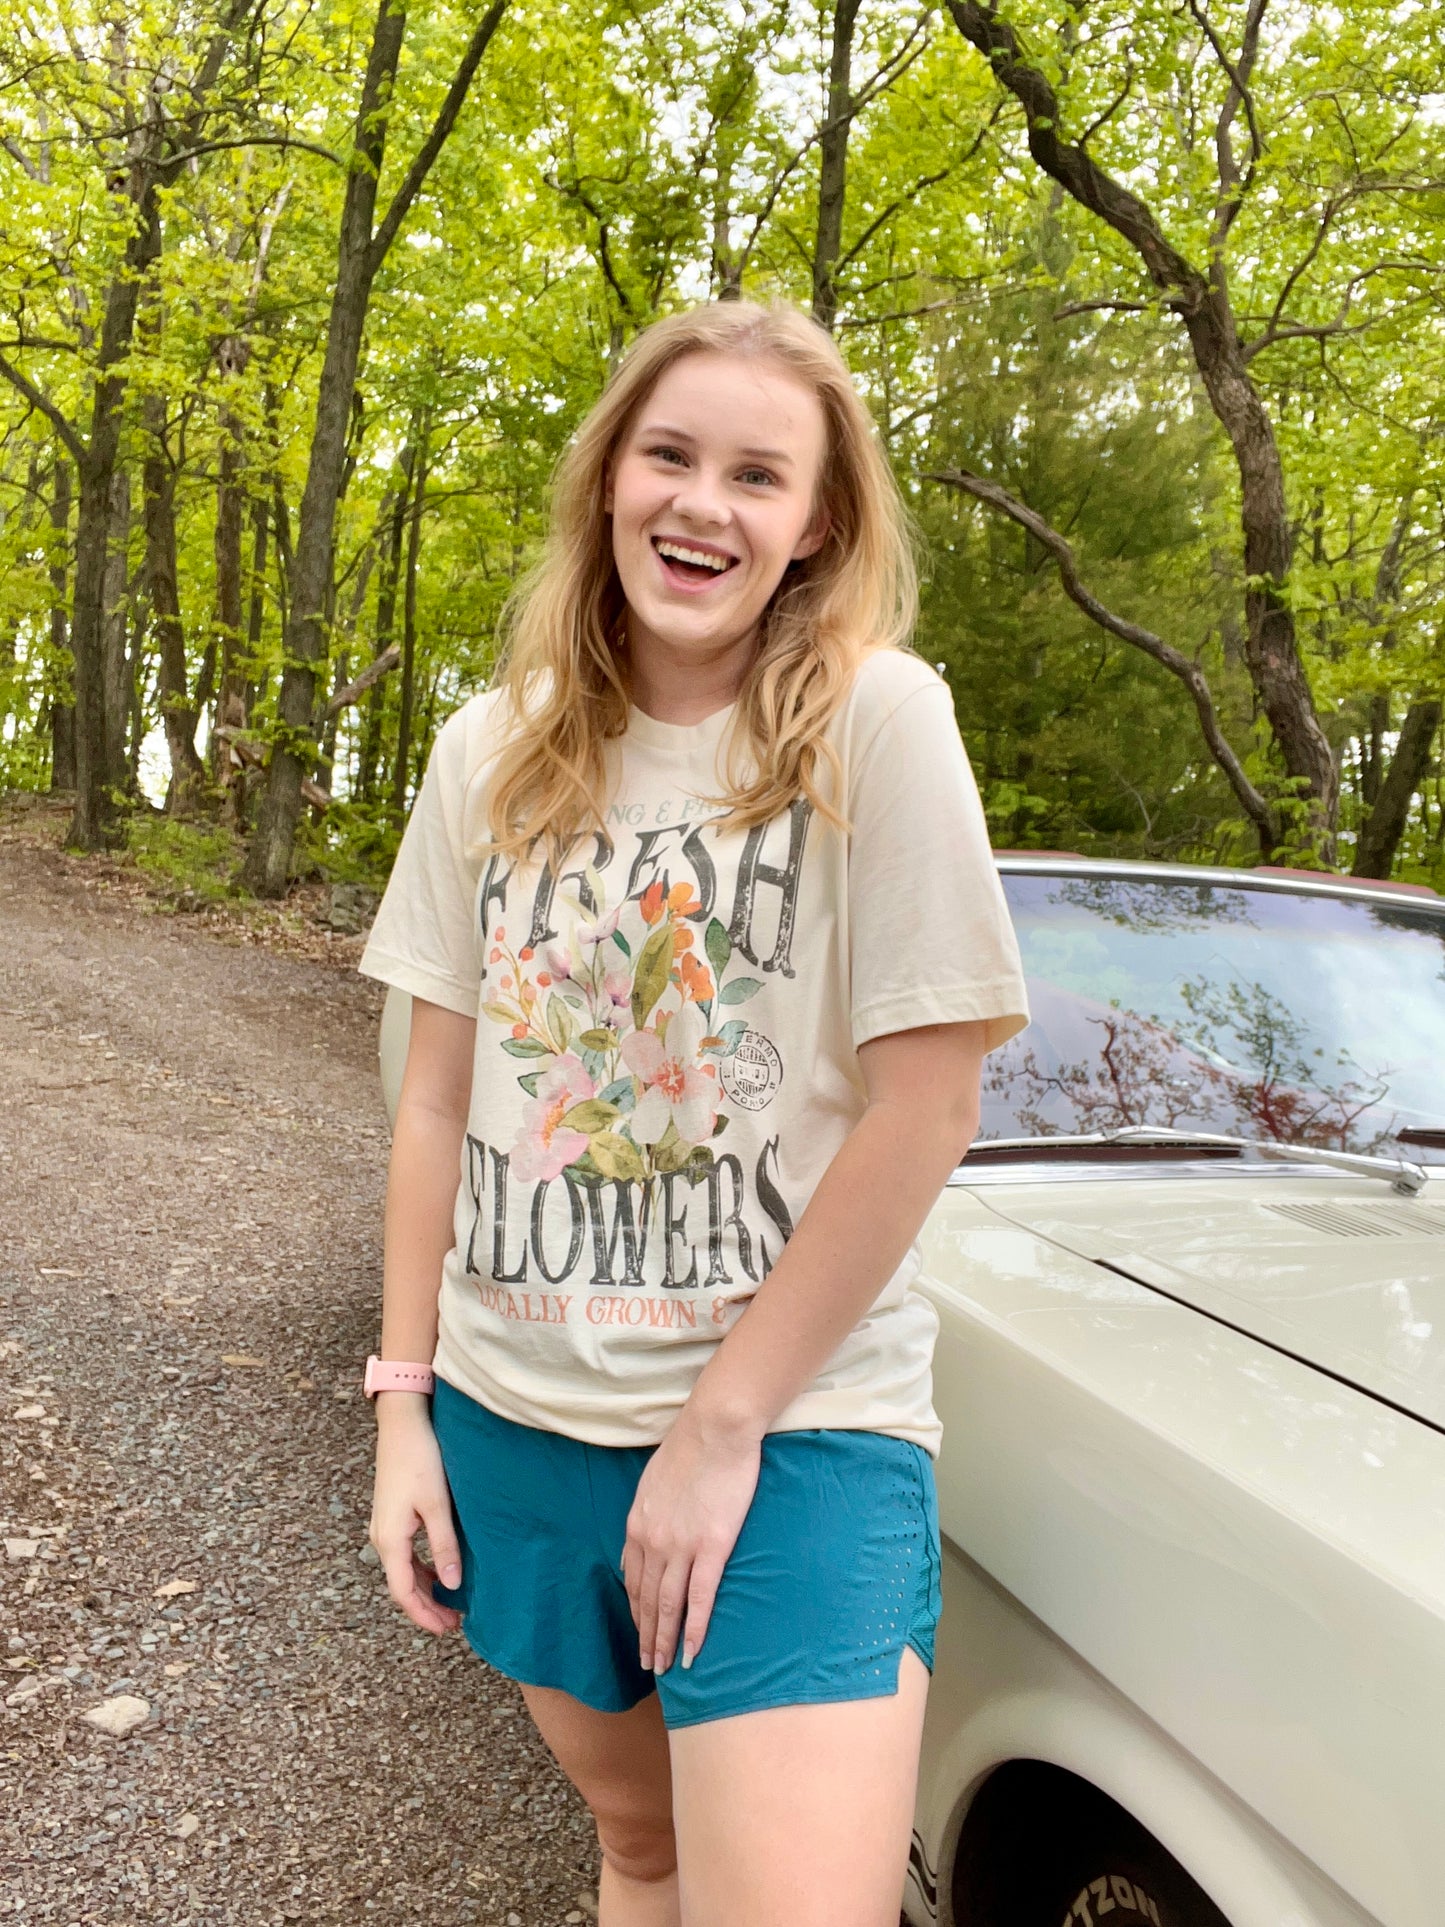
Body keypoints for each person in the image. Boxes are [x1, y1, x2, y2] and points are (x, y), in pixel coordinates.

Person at [357, 297, 1029, 1927]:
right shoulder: (487, 750)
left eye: (754, 474)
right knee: (639, 1850)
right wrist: (400, 1409)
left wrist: (722, 1429)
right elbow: (434, 1100)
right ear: (607, 478)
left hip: (793, 1436)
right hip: (518, 1420)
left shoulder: (876, 722)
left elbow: (926, 1106)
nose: (699, 503)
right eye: (667, 455)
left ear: (811, 527)